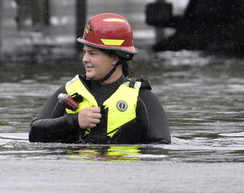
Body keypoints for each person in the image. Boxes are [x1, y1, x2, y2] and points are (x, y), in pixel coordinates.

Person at [28, 13, 171, 144]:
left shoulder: (142, 97)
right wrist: (74, 120)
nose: (85, 59)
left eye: (92, 54)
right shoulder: (69, 91)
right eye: (84, 53)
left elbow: (161, 146)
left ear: (114, 58)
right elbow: (34, 133)